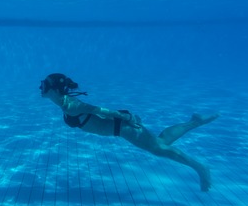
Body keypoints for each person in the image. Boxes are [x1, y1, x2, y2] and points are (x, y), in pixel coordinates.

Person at [39, 73, 219, 192]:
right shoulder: (64, 103)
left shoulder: (71, 106)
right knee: (160, 142)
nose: (41, 87)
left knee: (159, 148)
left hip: (123, 128)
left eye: (44, 85)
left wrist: (129, 118)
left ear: (54, 89)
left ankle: (200, 168)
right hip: (120, 125)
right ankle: (195, 121)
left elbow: (100, 110)